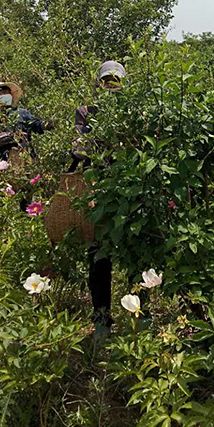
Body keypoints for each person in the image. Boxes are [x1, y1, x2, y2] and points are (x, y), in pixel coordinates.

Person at [68, 60, 127, 339]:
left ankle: (142, 315)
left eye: (116, 80)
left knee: (137, 254)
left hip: (130, 190)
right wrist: (92, 142)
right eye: (107, 80)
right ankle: (102, 318)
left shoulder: (134, 110)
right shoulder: (85, 112)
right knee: (99, 256)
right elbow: (78, 150)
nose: (111, 85)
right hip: (97, 191)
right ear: (99, 83)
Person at [0, 81, 52, 224]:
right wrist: (11, 136)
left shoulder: (22, 113)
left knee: (26, 190)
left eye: (8, 93)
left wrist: (47, 124)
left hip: (24, 157)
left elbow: (35, 125)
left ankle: (26, 222)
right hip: (2, 161)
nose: (6, 95)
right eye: (2, 93)